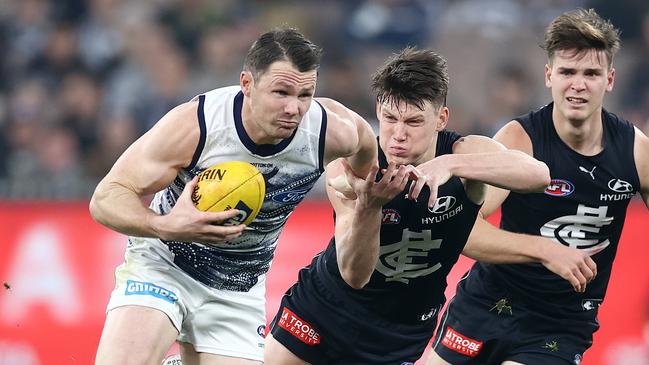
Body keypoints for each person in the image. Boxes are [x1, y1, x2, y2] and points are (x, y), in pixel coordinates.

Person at [262, 47, 594, 365]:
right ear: (378, 109)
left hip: (399, 332)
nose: (398, 135)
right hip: (323, 307)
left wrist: (450, 166)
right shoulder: (358, 165)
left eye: (414, 122)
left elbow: (538, 174)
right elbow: (352, 274)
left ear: (441, 118)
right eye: (390, 118)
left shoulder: (463, 152)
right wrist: (369, 207)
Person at [89, 27, 377, 365]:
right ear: (247, 84)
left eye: (305, 95)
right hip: (165, 264)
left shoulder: (331, 131)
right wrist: (165, 225)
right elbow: (107, 197)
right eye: (281, 92)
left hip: (238, 288)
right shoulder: (198, 125)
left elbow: (366, 148)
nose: (294, 109)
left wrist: (360, 189)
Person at [428, 8, 649, 365]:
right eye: (567, 72)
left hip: (559, 325)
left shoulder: (637, 153)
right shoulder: (519, 141)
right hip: (487, 305)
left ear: (610, 79)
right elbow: (463, 231)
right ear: (549, 75)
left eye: (591, 73)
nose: (578, 84)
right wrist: (546, 250)